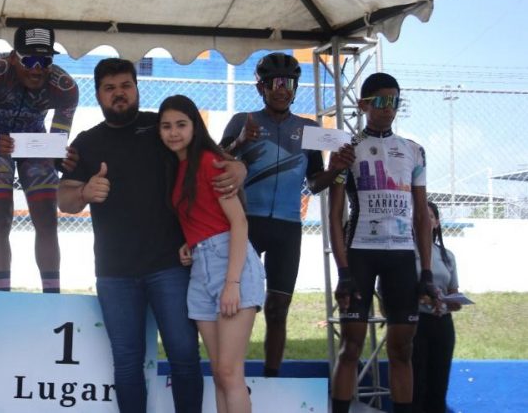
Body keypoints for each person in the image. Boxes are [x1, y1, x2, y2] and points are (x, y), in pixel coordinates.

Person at [58, 58, 246, 413]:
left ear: (137, 87)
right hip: (115, 271)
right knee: (127, 363)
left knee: (184, 355)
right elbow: (64, 198)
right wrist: (84, 192)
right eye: (110, 88)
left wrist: (239, 166)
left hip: (170, 266)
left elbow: (212, 155)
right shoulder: (87, 142)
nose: (119, 94)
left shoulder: (161, 128)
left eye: (125, 85)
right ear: (97, 94)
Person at [220, 51, 354, 377]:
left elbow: (314, 182)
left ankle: (271, 378)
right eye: (275, 83)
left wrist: (335, 169)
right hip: (246, 225)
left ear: (295, 87)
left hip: (288, 228)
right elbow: (214, 162)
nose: (282, 89)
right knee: (238, 306)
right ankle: (230, 376)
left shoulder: (309, 130)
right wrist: (239, 141)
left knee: (278, 309)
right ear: (261, 88)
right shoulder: (243, 121)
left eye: (288, 83)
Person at [329, 72, 435, 413]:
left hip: (402, 255)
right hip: (361, 252)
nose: (389, 109)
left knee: (403, 349)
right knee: (351, 345)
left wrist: (428, 271)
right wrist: (343, 270)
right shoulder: (348, 149)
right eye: (382, 102)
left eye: (395, 102)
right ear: (363, 105)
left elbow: (422, 215)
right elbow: (335, 215)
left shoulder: (415, 151)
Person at [158, 95, 266, 413]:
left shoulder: (209, 161)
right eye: (166, 127)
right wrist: (191, 242)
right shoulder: (178, 168)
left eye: (181, 124)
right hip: (201, 268)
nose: (173, 132)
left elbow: (239, 222)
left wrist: (232, 283)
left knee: (231, 373)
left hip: (230, 266)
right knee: (219, 373)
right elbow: (203, 218)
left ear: (195, 126)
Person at [0, 24, 78, 293]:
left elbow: (56, 146)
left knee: (47, 218)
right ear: (13, 57)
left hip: (35, 144)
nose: (37, 68)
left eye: (45, 60)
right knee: (0, 217)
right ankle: (2, 295)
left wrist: (63, 158)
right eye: (29, 60)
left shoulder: (65, 88)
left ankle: (52, 295)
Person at [412, 201, 461, 413]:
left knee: (438, 384)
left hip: (442, 324)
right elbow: (390, 294)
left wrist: (449, 302)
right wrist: (421, 299)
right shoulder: (404, 253)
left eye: (429, 217)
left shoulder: (447, 256)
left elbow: (454, 296)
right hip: (416, 325)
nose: (424, 221)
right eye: (419, 217)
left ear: (436, 222)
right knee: (417, 384)